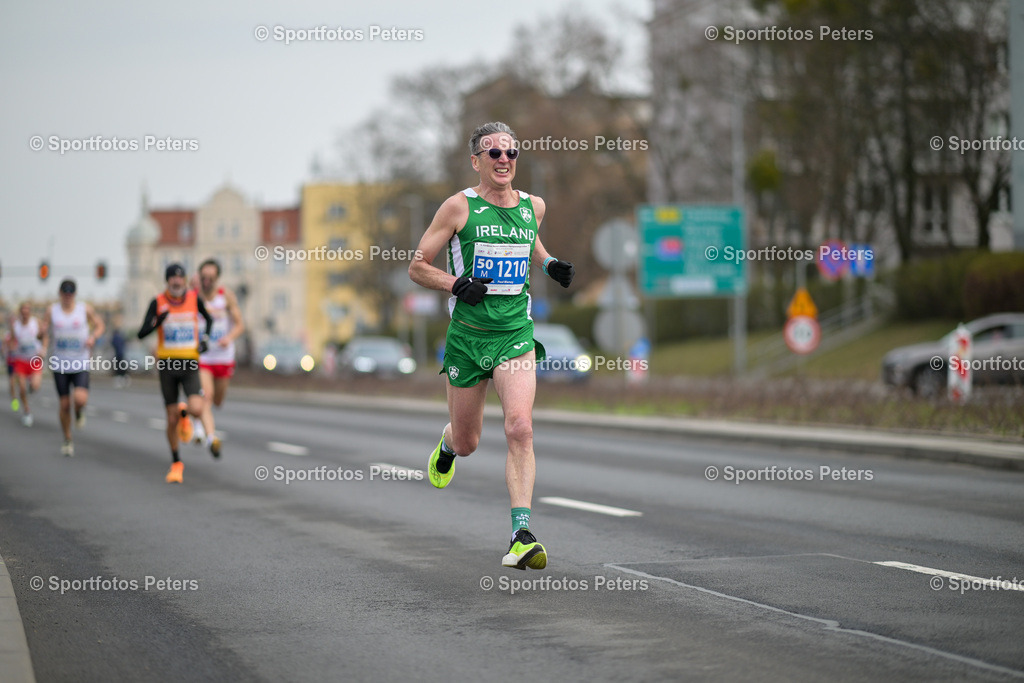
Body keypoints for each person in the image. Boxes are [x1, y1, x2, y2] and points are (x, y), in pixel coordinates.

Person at [408, 121, 575, 570]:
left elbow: (528, 242)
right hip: (467, 337)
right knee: (468, 442)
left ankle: (521, 534)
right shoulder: (458, 208)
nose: (504, 160)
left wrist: (550, 262)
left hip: (514, 335)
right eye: (493, 153)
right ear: (476, 160)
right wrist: (456, 283)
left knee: (520, 427)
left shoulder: (533, 206)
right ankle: (446, 445)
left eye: (511, 153)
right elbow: (417, 266)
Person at [137, 263, 219, 483]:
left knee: (197, 407)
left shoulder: (193, 298)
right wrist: (157, 322)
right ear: (167, 281)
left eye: (180, 279)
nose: (176, 283)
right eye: (173, 279)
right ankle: (176, 462)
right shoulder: (158, 302)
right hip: (167, 365)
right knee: (171, 418)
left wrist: (205, 340)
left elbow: (209, 320)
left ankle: (187, 414)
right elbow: (141, 333)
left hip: (190, 361)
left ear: (184, 281)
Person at [47, 279, 105, 456]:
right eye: (64, 293)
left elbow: (100, 325)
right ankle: (67, 439)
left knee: (79, 399)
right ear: (60, 294)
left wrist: (93, 337)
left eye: (70, 294)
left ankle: (79, 412)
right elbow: (44, 331)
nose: (67, 297)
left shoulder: (84, 309)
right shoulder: (52, 311)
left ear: (74, 294)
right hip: (60, 363)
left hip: (80, 361)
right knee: (64, 405)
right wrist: (41, 339)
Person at [196, 258, 244, 442]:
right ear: (199, 277)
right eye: (204, 277)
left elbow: (240, 325)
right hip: (204, 357)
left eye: (211, 278)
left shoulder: (226, 297)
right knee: (206, 396)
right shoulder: (194, 297)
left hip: (223, 357)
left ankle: (201, 423)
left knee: (217, 400)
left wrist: (228, 338)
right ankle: (207, 435)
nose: (207, 281)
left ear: (217, 278)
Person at [6, 302, 46, 426]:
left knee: (35, 386)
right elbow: (12, 340)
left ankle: (31, 388)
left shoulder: (36, 322)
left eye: (27, 309)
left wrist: (43, 348)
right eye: (23, 309)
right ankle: (27, 411)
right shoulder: (16, 326)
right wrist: (11, 347)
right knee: (21, 388)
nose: (25, 312)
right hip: (21, 360)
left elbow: (44, 336)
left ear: (30, 311)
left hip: (35, 360)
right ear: (20, 311)